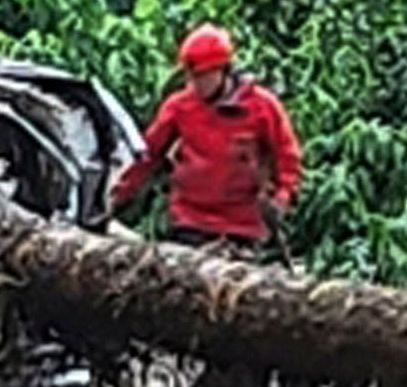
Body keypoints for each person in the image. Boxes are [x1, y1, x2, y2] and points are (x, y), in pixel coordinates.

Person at [108, 23, 301, 253]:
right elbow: (148, 155)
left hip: (242, 226)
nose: (195, 85)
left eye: (202, 77)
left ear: (223, 70)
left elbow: (287, 156)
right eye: (191, 77)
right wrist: (117, 195)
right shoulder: (180, 107)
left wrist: (282, 198)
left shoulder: (261, 107)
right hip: (191, 220)